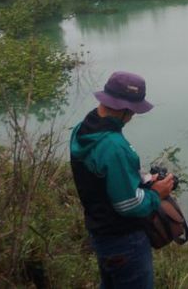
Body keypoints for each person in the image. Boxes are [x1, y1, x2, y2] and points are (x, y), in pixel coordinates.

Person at [70, 71, 175, 289]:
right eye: (134, 110)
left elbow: (102, 176)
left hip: (102, 233)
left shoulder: (85, 129)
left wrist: (143, 179)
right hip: (124, 240)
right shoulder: (114, 145)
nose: (133, 116)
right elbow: (128, 204)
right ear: (125, 109)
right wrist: (156, 194)